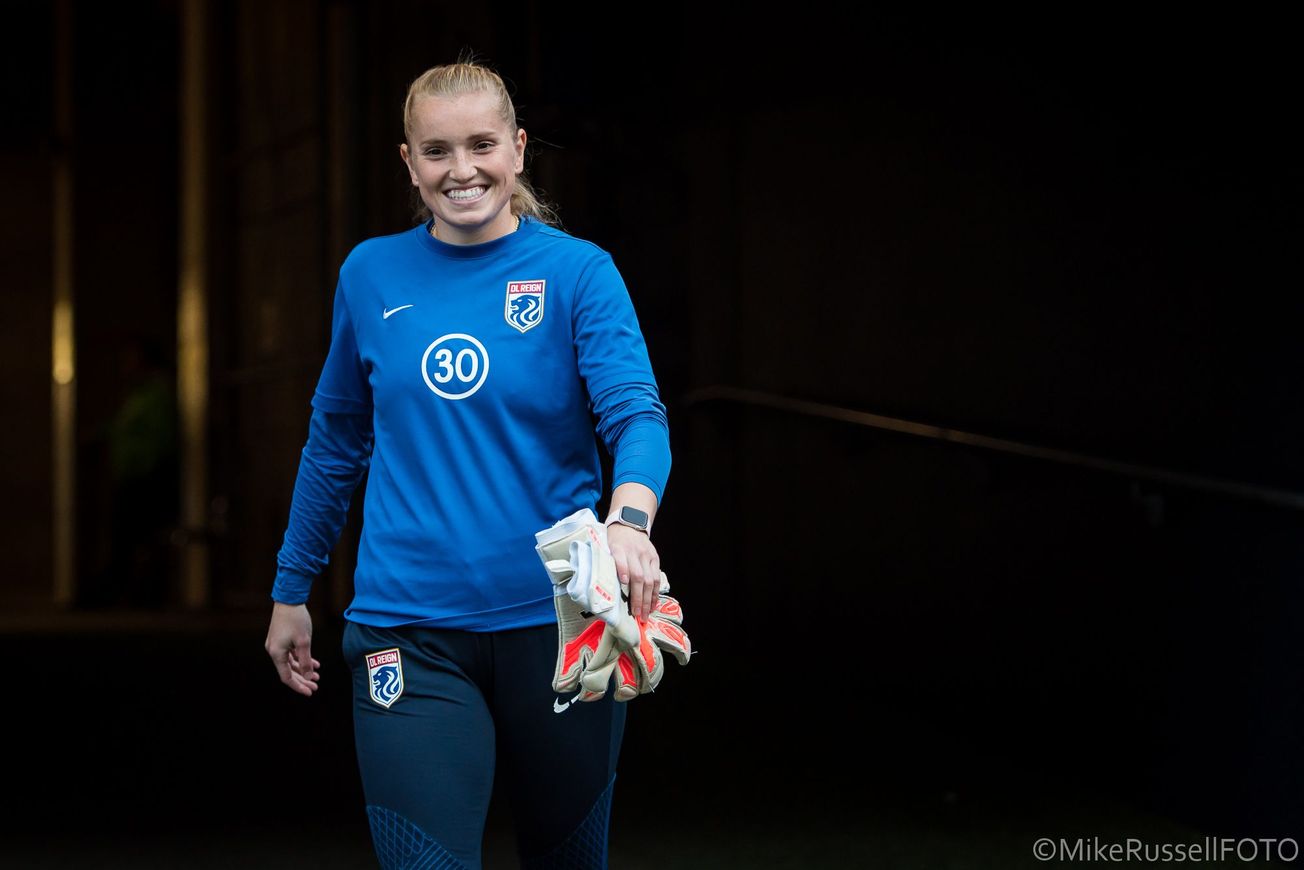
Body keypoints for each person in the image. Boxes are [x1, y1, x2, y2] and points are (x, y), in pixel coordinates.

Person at [263, 57, 671, 870]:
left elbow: (635, 413)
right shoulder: (370, 273)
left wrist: (629, 522)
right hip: (407, 627)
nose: (462, 170)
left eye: (481, 145)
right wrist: (290, 589)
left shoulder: (577, 272)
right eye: (438, 151)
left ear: (518, 150)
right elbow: (337, 439)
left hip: (564, 622)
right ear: (408, 162)